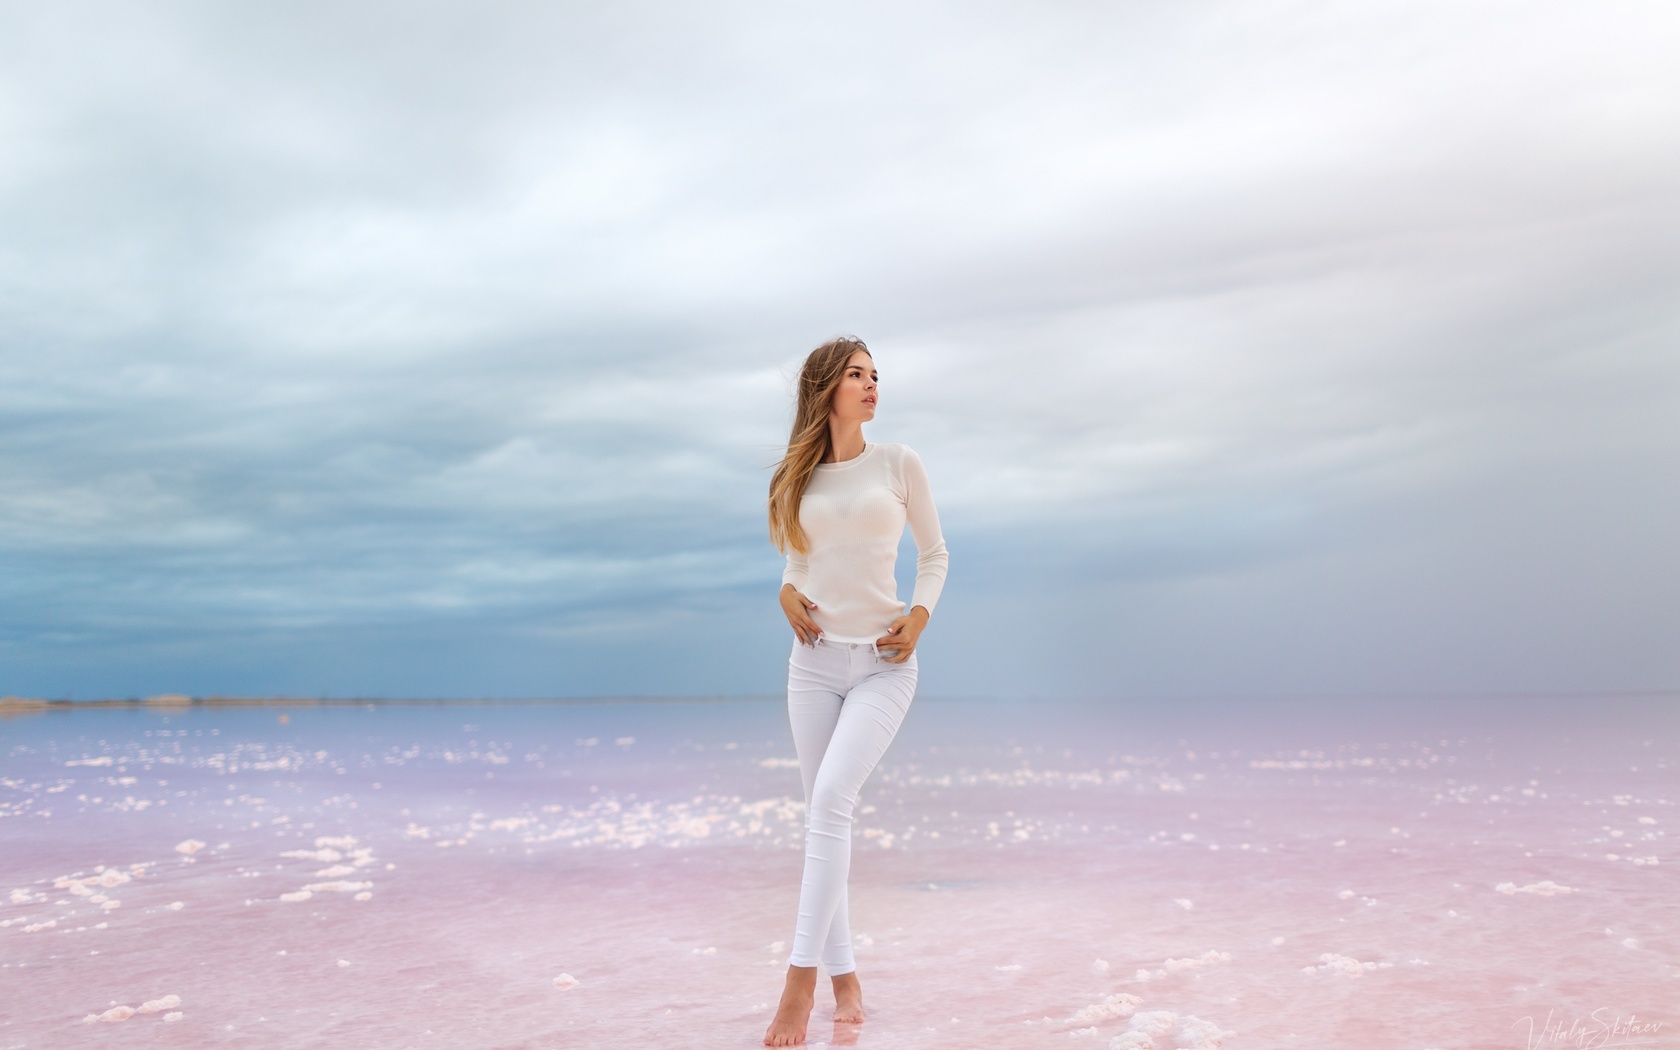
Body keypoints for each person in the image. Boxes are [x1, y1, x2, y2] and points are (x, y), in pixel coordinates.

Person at [762, 336, 949, 1046]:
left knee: (832, 800)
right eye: (856, 375)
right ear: (825, 388)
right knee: (822, 816)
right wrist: (786, 592)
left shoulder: (899, 463)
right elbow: (796, 561)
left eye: (876, 375)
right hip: (811, 664)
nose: (871, 385)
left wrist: (920, 619)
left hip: (883, 664)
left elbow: (934, 554)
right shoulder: (797, 476)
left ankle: (797, 984)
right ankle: (845, 979)